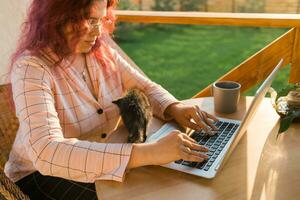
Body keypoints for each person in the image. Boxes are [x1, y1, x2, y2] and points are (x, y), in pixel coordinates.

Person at [4, 0, 218, 199]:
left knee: (165, 183)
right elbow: (46, 152)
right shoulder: (31, 68)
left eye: (100, 20)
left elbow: (144, 87)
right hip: (40, 176)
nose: (98, 31)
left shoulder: (100, 52)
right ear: (58, 16)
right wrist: (151, 152)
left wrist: (174, 107)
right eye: (89, 20)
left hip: (99, 158)